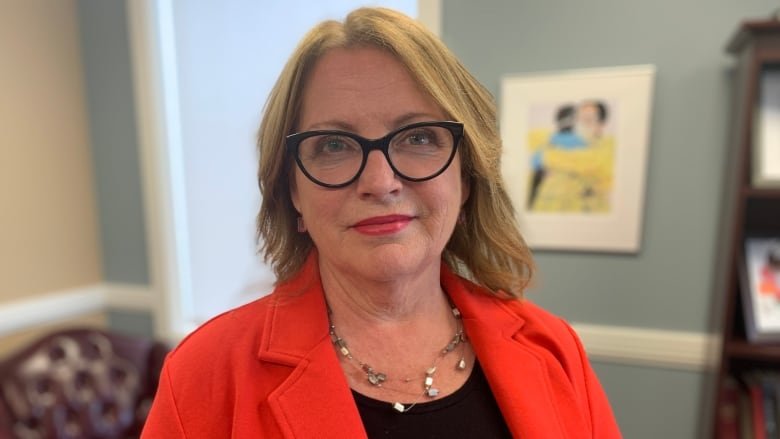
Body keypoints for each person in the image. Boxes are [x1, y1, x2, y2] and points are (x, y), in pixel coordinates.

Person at [141, 7, 621, 438]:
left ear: (467, 176)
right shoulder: (204, 376)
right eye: (333, 145)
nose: (380, 181)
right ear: (293, 192)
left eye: (418, 137)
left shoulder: (554, 348)